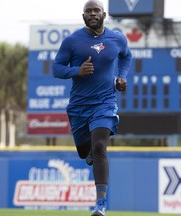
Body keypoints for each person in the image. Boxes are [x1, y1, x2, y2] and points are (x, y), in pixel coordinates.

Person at [52, 0, 132, 215]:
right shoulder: (72, 41)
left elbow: (126, 56)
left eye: (96, 10)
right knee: (84, 153)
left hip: (105, 103)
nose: (93, 13)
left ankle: (100, 204)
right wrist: (76, 71)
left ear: (104, 14)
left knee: (99, 147)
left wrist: (121, 77)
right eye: (89, 11)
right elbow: (56, 69)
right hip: (79, 107)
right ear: (83, 15)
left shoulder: (117, 39)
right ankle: (89, 153)